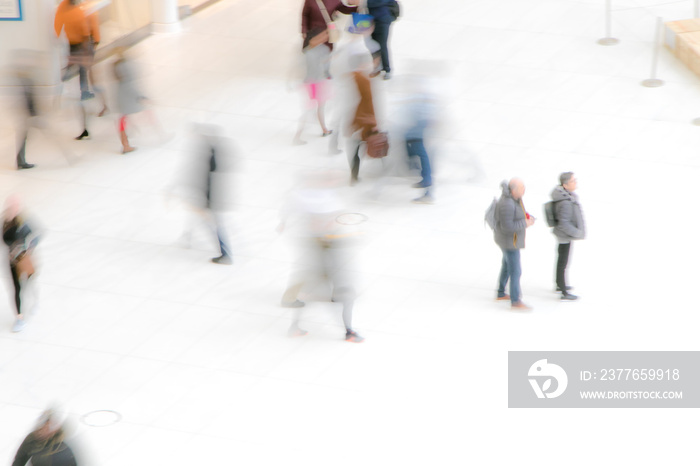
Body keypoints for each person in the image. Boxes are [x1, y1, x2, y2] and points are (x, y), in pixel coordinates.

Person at [278, 170, 365, 343]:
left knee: (311, 292)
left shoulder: (318, 197)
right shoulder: (311, 200)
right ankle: (349, 331)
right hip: (326, 259)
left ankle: (295, 325)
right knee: (343, 294)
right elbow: (324, 226)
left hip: (324, 257)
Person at [494, 178, 535, 310]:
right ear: (513, 190)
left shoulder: (515, 199)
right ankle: (515, 300)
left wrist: (526, 217)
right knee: (516, 271)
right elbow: (507, 226)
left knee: (506, 266)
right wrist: (525, 223)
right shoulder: (507, 203)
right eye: (522, 188)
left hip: (510, 240)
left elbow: (516, 214)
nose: (524, 190)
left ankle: (501, 292)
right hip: (509, 242)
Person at [3, 196, 40, 332]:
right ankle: (19, 318)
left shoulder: (24, 221)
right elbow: (5, 239)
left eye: (15, 205)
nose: (13, 208)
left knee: (29, 282)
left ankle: (35, 299)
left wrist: (29, 247)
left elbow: (36, 235)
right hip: (12, 260)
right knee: (16, 288)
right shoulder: (6, 222)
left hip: (24, 258)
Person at [293, 28, 333, 145]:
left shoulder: (318, 50)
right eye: (320, 37)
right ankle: (298, 136)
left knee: (319, 107)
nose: (323, 38)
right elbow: (318, 69)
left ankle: (324, 129)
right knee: (311, 110)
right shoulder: (311, 53)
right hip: (314, 84)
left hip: (315, 83)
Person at [551, 172, 585, 301]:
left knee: (562, 261)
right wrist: (577, 233)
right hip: (564, 236)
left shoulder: (566, 197)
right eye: (572, 181)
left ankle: (560, 285)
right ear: (565, 185)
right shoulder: (565, 202)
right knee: (563, 263)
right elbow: (564, 223)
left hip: (565, 236)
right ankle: (563, 291)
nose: (575, 183)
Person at [12, 409, 78, 466]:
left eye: (47, 428)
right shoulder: (31, 438)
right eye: (41, 427)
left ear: (54, 431)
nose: (42, 431)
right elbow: (19, 460)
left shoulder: (61, 449)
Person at [366, 0, 397, 79]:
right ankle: (377, 67)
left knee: (382, 45)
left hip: (382, 20)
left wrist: (363, 2)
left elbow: (380, 2)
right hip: (371, 20)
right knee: (373, 46)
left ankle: (387, 69)